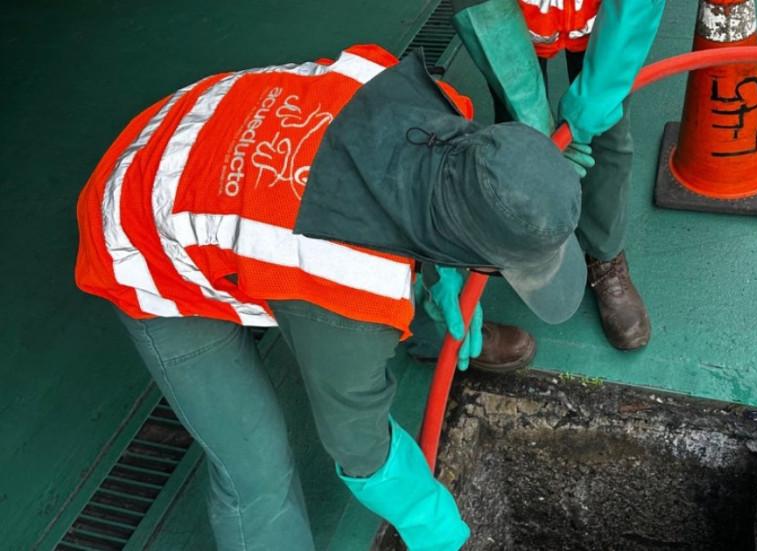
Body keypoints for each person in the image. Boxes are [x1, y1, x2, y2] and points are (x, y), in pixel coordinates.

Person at [74, 44, 586, 551]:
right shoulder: (345, 289)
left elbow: (425, 199)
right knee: (256, 468)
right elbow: (357, 446)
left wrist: (448, 279)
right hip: (144, 229)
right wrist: (429, 521)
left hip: (203, 125)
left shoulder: (426, 103)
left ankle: (428, 332)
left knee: (393, 273)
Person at [452, 0, 664, 350]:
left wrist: (593, 104)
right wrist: (532, 117)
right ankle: (534, 244)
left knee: (606, 134)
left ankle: (604, 255)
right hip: (507, 18)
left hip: (603, 19)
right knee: (518, 138)